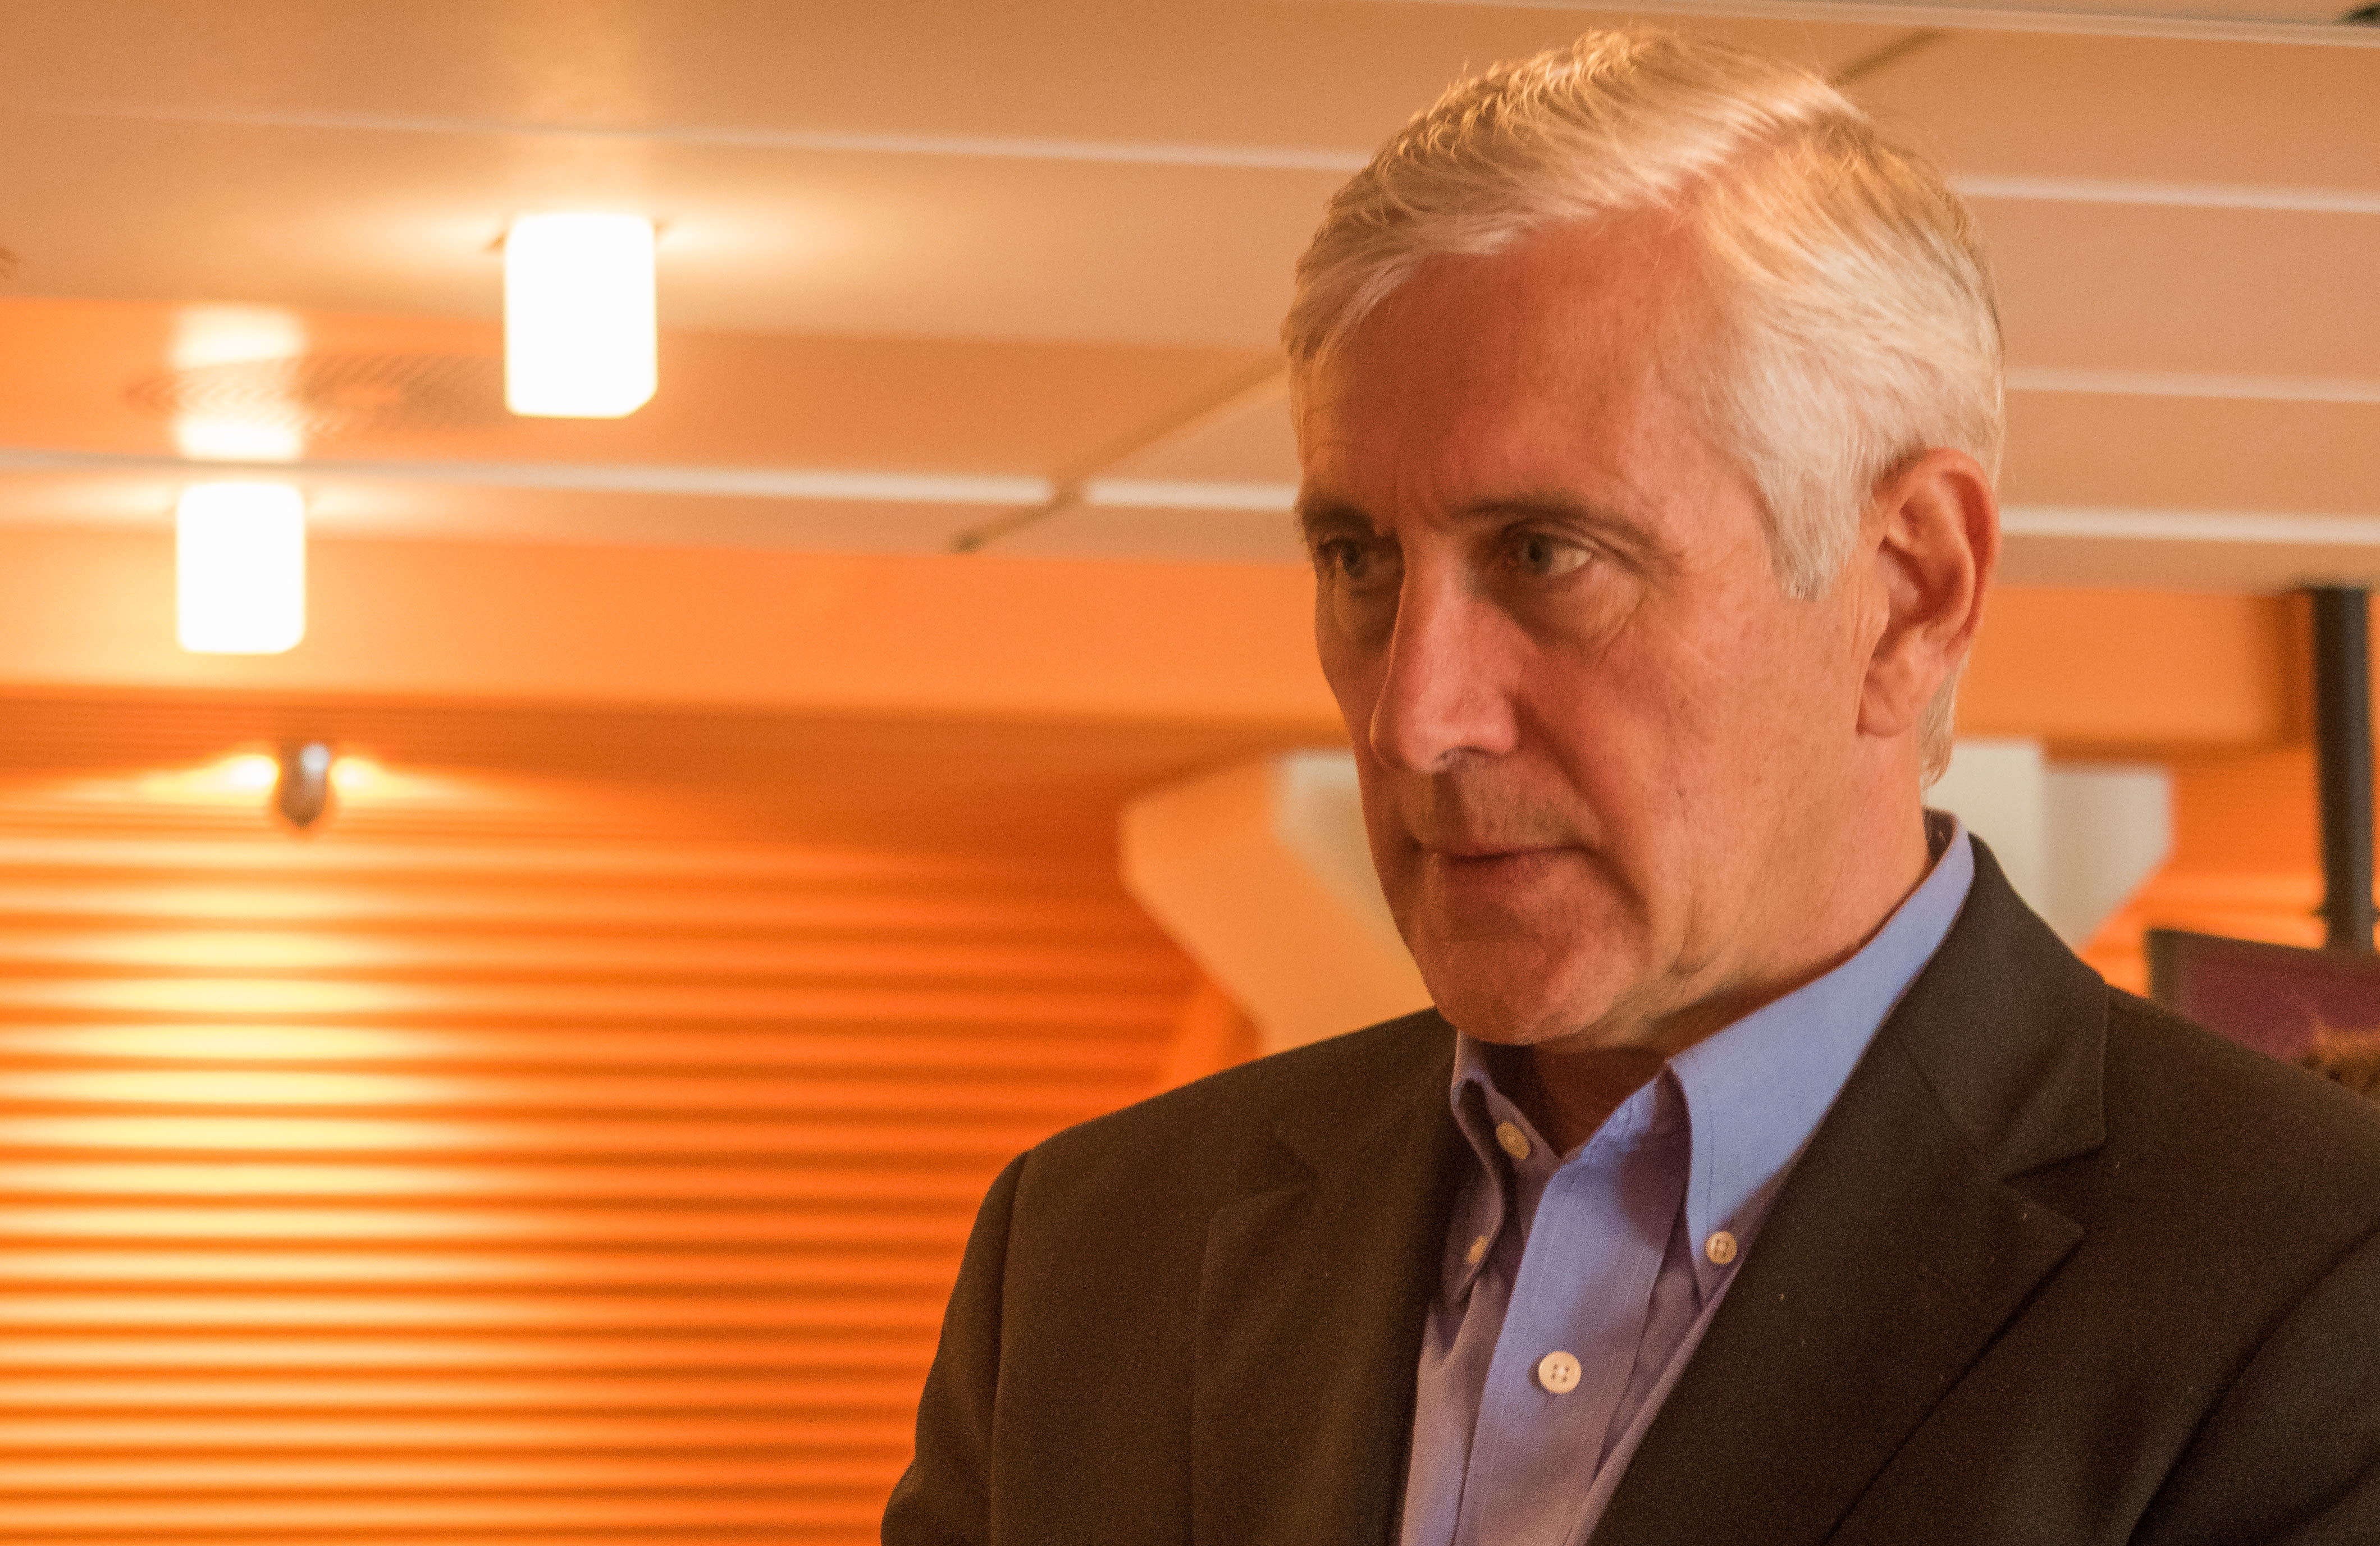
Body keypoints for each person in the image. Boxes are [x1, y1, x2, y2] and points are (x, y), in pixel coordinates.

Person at [884, 29, 2380, 1545]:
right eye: (1358, 561)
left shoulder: (2314, 1287)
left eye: (1547, 555)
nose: (1416, 717)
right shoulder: (1093, 1261)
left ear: (1909, 592)